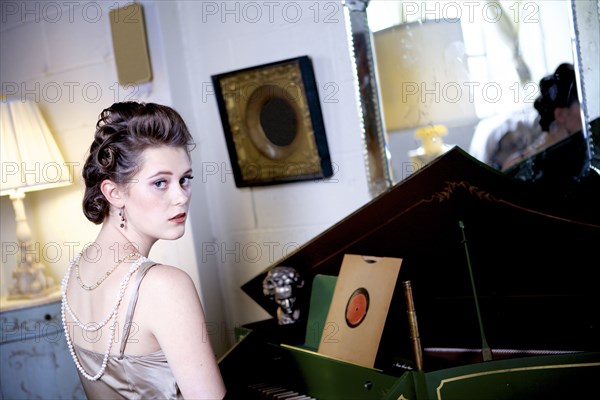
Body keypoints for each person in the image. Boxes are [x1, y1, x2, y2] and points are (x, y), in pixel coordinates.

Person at [61, 102, 226, 399]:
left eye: (184, 179)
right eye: (160, 182)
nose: (181, 197)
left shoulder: (75, 272)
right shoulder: (165, 286)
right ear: (114, 192)